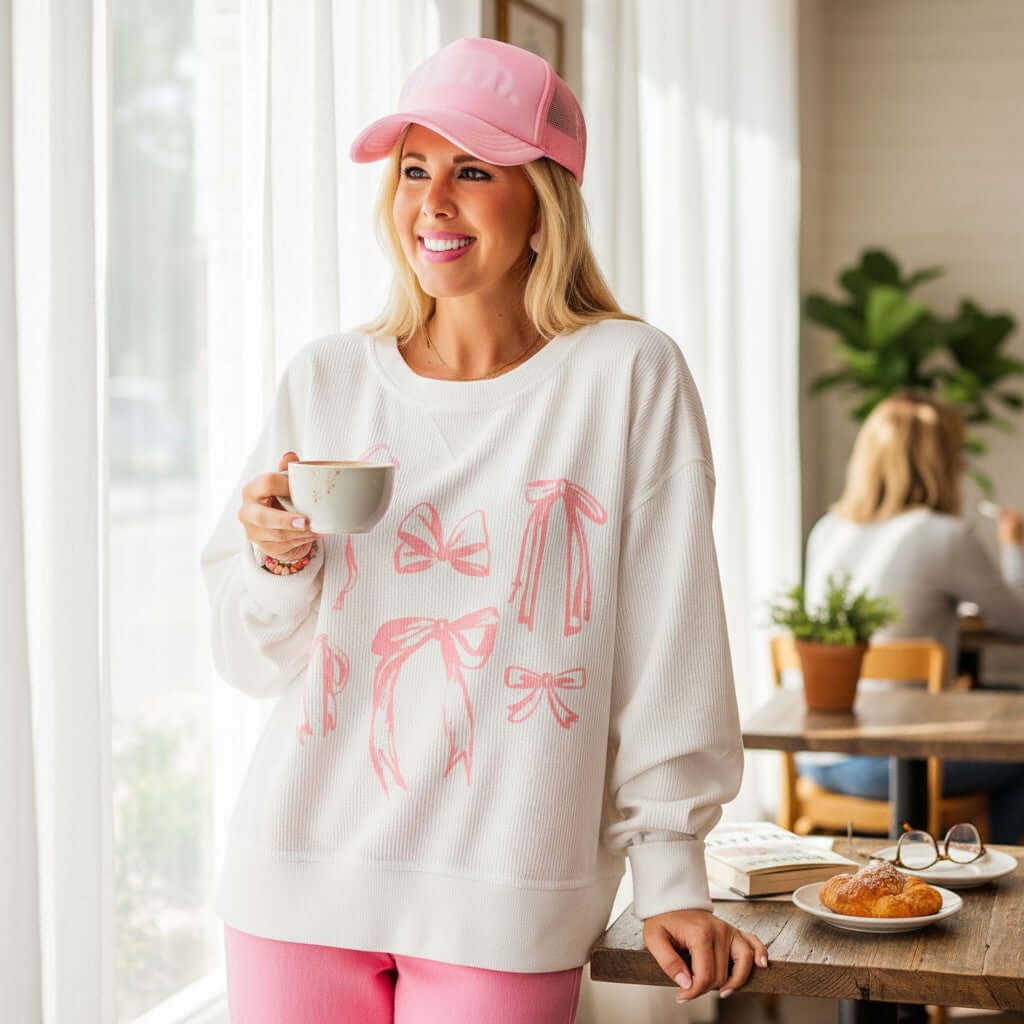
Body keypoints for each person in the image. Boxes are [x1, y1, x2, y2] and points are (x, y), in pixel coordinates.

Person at [200, 36, 766, 1023]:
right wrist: (275, 554)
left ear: (544, 199)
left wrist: (672, 873)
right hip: (295, 870)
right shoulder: (327, 376)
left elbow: (669, 641)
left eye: (472, 170)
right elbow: (258, 659)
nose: (433, 201)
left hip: (507, 883)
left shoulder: (626, 375)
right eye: (413, 169)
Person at [799, 390, 1024, 844]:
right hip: (891, 762)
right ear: (942, 462)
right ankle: (994, 879)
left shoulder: (828, 529)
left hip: (816, 757)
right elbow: (1018, 621)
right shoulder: (944, 535)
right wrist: (1014, 546)